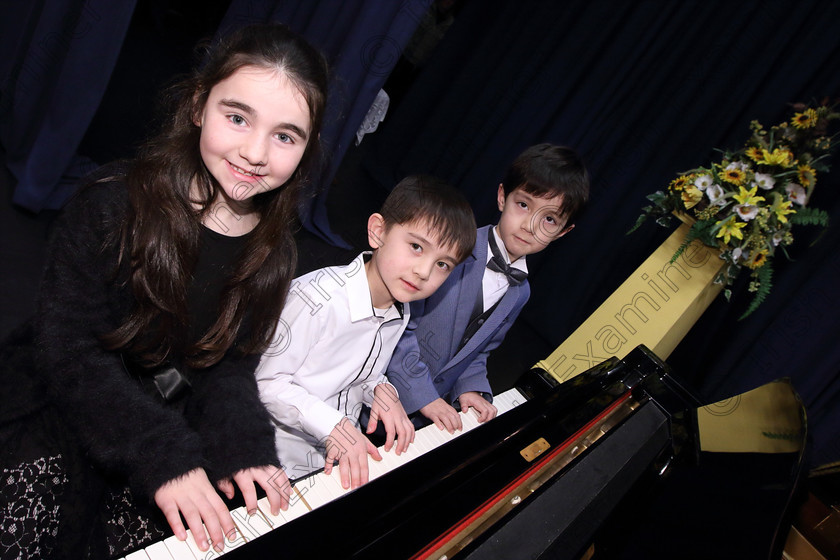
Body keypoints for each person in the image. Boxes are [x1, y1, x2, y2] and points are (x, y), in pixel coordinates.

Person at [0, 23, 328, 559]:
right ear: (199, 105)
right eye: (237, 117)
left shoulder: (275, 251)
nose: (254, 152)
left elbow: (227, 365)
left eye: (285, 135)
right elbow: (68, 348)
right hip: (64, 401)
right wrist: (160, 453)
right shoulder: (111, 202)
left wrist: (242, 447)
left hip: (163, 417)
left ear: (307, 148)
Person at [256, 175, 476, 490]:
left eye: (443, 265)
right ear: (378, 231)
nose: (424, 271)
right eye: (416, 247)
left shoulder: (400, 308)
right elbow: (265, 383)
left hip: (330, 461)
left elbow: (358, 373)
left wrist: (379, 390)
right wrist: (334, 426)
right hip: (273, 460)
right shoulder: (319, 299)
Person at [386, 144, 590, 433]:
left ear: (564, 231)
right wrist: (423, 395)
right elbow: (398, 321)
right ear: (502, 197)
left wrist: (469, 389)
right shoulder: (450, 251)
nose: (530, 226)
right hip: (378, 388)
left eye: (549, 219)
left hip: (424, 418)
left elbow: (477, 351)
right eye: (523, 205)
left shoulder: (521, 293)